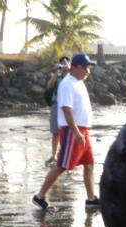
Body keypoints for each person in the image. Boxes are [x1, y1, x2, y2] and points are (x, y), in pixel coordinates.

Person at [33, 53, 99, 211]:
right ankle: (39, 196)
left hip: (83, 129)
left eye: (88, 67)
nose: (87, 70)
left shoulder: (78, 82)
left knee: (89, 164)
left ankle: (91, 198)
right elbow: (66, 109)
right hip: (72, 130)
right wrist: (76, 132)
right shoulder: (67, 84)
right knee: (62, 165)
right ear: (75, 67)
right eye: (84, 67)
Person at [45, 56, 71, 167]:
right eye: (62, 63)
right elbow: (49, 85)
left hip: (69, 106)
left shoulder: (72, 76)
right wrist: (57, 72)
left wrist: (69, 70)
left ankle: (65, 154)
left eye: (66, 63)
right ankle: (54, 155)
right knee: (55, 131)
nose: (64, 65)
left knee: (68, 131)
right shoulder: (58, 75)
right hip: (57, 104)